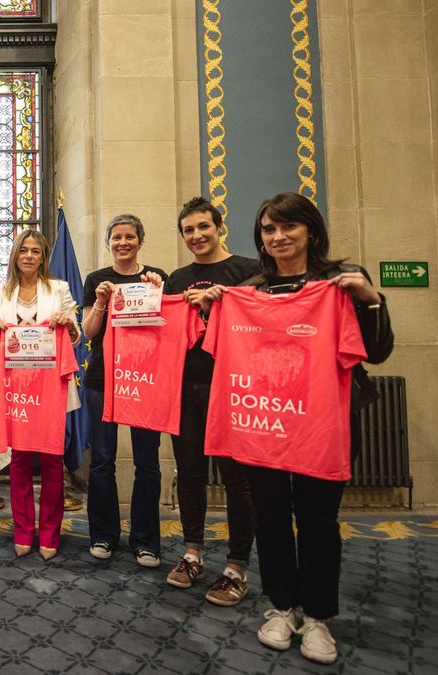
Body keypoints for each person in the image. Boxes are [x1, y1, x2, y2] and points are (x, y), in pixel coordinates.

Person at [200, 192, 392, 664]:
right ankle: (282, 606)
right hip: (261, 421)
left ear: (310, 229)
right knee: (269, 517)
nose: (278, 237)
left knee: (318, 521)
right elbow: (222, 347)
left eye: (287, 227)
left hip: (321, 424)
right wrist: (213, 309)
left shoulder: (340, 283)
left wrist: (371, 302)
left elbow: (378, 350)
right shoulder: (251, 289)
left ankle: (320, 617)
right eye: (268, 229)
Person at [163, 197, 260, 605]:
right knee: (189, 473)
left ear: (219, 226)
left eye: (204, 227)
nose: (197, 236)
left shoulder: (249, 272)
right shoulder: (177, 278)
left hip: (233, 389)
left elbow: (261, 325)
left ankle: (237, 566)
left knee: (238, 481)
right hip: (186, 386)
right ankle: (192, 553)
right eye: (189, 230)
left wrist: (228, 301)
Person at [81, 214, 170, 568]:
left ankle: (146, 540)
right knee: (101, 460)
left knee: (147, 462)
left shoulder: (157, 278)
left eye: (129, 236)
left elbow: (167, 328)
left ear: (140, 240)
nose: (123, 243)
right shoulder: (96, 280)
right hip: (103, 379)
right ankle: (103, 534)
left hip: (144, 379)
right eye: (116, 237)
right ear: (108, 243)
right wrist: (101, 302)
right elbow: (87, 332)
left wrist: (157, 292)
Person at [0, 229, 80, 560]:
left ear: (43, 257)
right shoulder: (0, 293)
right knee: (21, 461)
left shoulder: (59, 289)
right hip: (18, 392)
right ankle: (24, 528)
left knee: (53, 463)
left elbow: (77, 334)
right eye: (23, 250)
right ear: (15, 255)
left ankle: (51, 531)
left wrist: (68, 324)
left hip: (51, 389)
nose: (29, 256)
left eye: (35, 251)